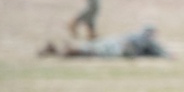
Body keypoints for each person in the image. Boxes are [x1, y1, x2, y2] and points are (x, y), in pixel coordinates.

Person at [39, 25, 169, 58]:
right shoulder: (146, 39)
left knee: (91, 46)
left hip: (116, 40)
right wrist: (168, 55)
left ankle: (56, 50)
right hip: (120, 48)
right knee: (94, 52)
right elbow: (158, 51)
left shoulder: (135, 35)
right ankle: (68, 51)